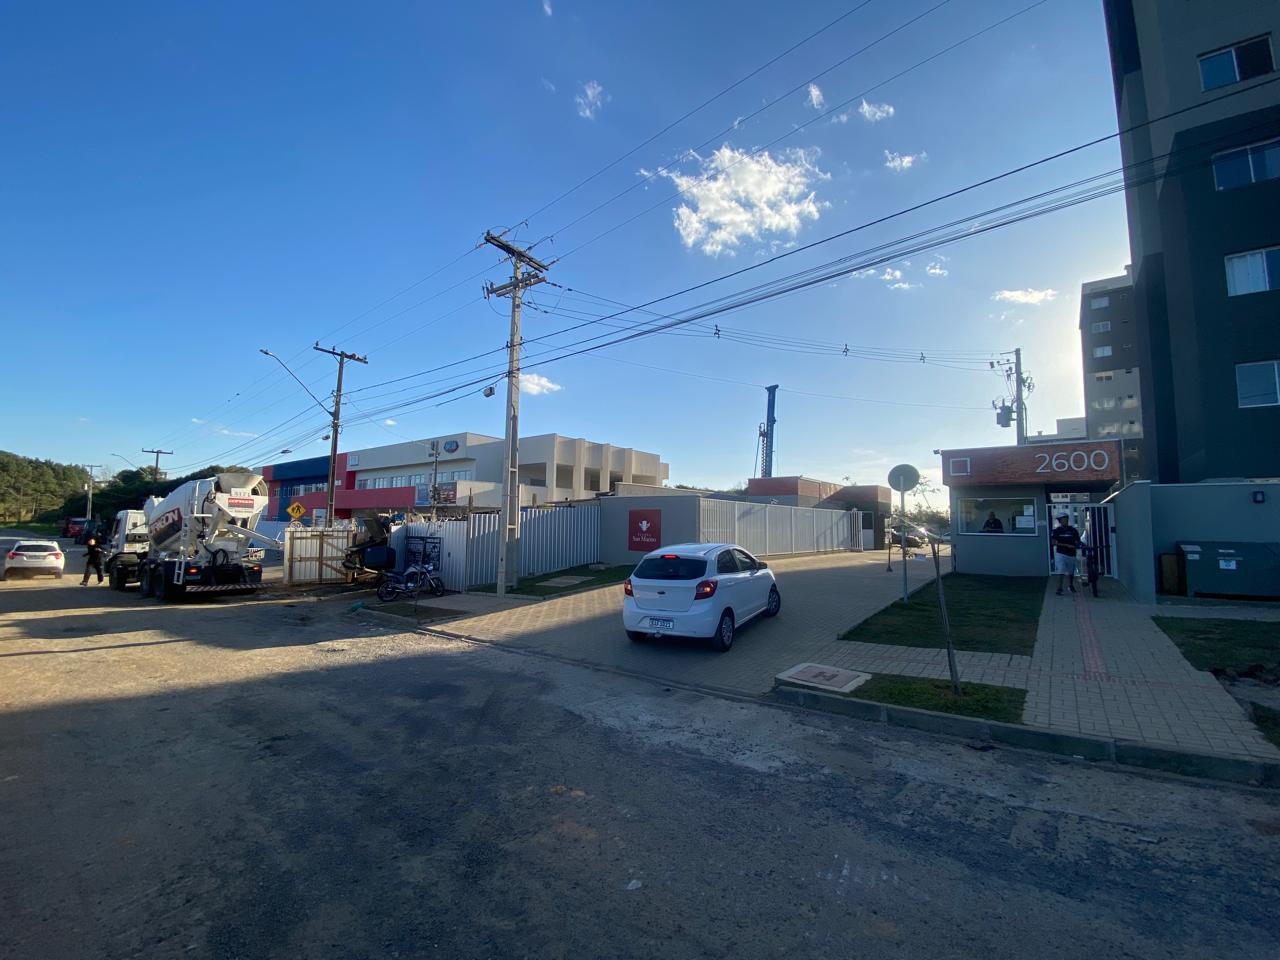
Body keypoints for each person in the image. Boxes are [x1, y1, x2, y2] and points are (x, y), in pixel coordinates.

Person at [1051, 514, 1082, 595]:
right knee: (1061, 571)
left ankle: (1071, 585)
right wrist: (1066, 545)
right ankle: (1059, 588)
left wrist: (1078, 545)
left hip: (1071, 554)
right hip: (1061, 553)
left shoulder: (1073, 530)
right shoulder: (1057, 531)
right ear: (1059, 521)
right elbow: (1053, 543)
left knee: (1071, 572)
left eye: (1065, 519)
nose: (1064, 521)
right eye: (1062, 519)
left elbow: (1077, 541)